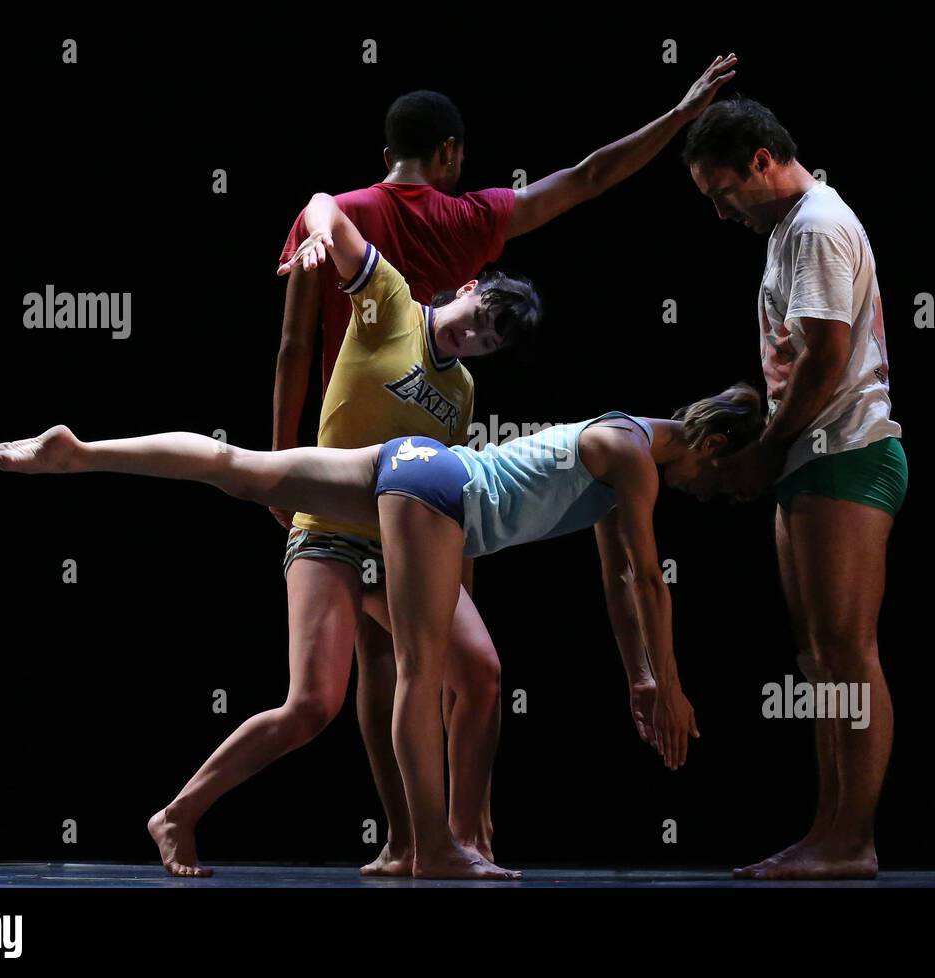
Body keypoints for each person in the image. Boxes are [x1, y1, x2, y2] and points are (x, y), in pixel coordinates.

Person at [0, 377, 763, 878]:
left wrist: (645, 677)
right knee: (422, 669)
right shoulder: (631, 451)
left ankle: (76, 453)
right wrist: (675, 686)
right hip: (441, 492)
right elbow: (650, 581)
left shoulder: (616, 440)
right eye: (720, 480)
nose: (709, 493)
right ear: (714, 442)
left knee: (240, 469)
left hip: (410, 464)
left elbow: (619, 583)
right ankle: (437, 850)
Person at [262, 57, 738, 877]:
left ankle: (410, 840)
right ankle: (464, 836)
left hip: (343, 466)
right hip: (430, 473)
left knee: (390, 665)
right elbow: (588, 178)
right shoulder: (468, 217)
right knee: (449, 664)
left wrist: (283, 468)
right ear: (448, 154)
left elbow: (294, 349)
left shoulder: (339, 214)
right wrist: (679, 114)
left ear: (388, 156)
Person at [683, 95, 907, 880]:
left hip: (845, 450)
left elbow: (826, 356)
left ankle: (851, 839)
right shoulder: (790, 228)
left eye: (721, 194)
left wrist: (765, 453)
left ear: (760, 162)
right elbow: (795, 361)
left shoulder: (813, 224)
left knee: (846, 651)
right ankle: (829, 831)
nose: (719, 213)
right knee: (819, 658)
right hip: (814, 453)